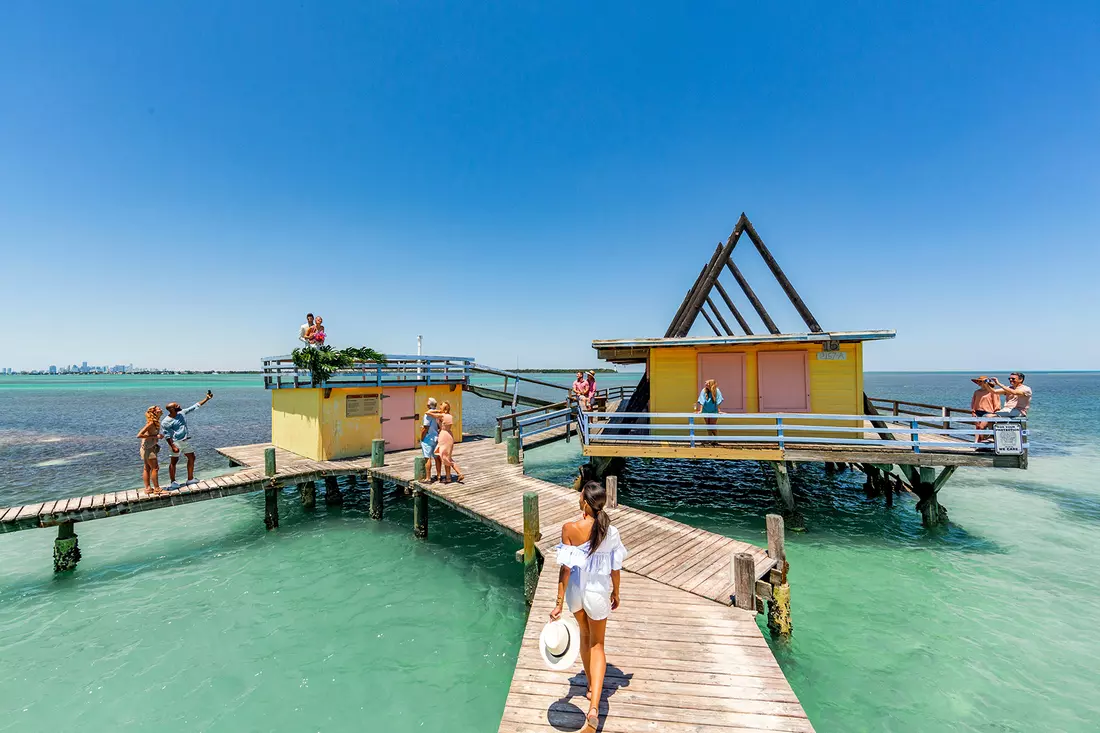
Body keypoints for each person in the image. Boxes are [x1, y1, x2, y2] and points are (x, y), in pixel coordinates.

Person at [550, 481, 628, 731]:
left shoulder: (569, 528)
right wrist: (616, 592)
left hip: (575, 592)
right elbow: (615, 568)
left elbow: (565, 569)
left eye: (580, 494)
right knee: (598, 644)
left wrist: (558, 604)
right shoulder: (610, 531)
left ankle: (591, 685)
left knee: (584, 637)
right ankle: (594, 707)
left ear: (585, 501)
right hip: (597, 592)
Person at [162, 391, 214, 489]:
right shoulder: (166, 421)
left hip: (185, 441)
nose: (179, 405)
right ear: (172, 409)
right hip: (175, 442)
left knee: (192, 457)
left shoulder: (181, 413)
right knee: (174, 461)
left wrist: (207, 399)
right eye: (176, 405)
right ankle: (173, 482)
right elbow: (167, 435)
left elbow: (195, 406)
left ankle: (190, 479)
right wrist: (172, 446)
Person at [427, 401, 465, 483]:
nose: (439, 409)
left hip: (443, 436)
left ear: (443, 409)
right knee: (447, 457)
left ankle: (459, 473)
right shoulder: (450, 416)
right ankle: (448, 478)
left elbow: (428, 413)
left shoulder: (442, 415)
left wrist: (437, 411)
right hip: (449, 436)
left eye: (440, 408)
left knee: (445, 458)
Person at [138, 405, 164, 495]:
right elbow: (139, 435)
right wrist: (156, 436)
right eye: (159, 408)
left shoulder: (154, 422)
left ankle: (148, 488)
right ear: (155, 412)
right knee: (155, 468)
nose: (161, 409)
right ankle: (157, 489)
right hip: (148, 449)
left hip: (147, 448)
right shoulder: (151, 423)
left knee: (147, 468)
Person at [970, 376, 1000, 443]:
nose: (979, 383)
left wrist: (995, 413)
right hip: (977, 411)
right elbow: (973, 402)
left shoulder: (992, 391)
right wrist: (973, 412)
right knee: (977, 427)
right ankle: (976, 443)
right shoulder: (976, 392)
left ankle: (982, 442)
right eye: (978, 381)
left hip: (988, 412)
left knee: (982, 427)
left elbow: (997, 403)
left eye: (981, 381)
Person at [420, 397, 443, 481]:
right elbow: (437, 425)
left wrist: (422, 437)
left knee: (427, 457)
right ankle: (439, 475)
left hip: (428, 437)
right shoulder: (437, 413)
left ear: (429, 404)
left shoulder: (428, 414)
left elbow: (425, 427)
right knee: (437, 457)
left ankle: (428, 478)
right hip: (436, 436)